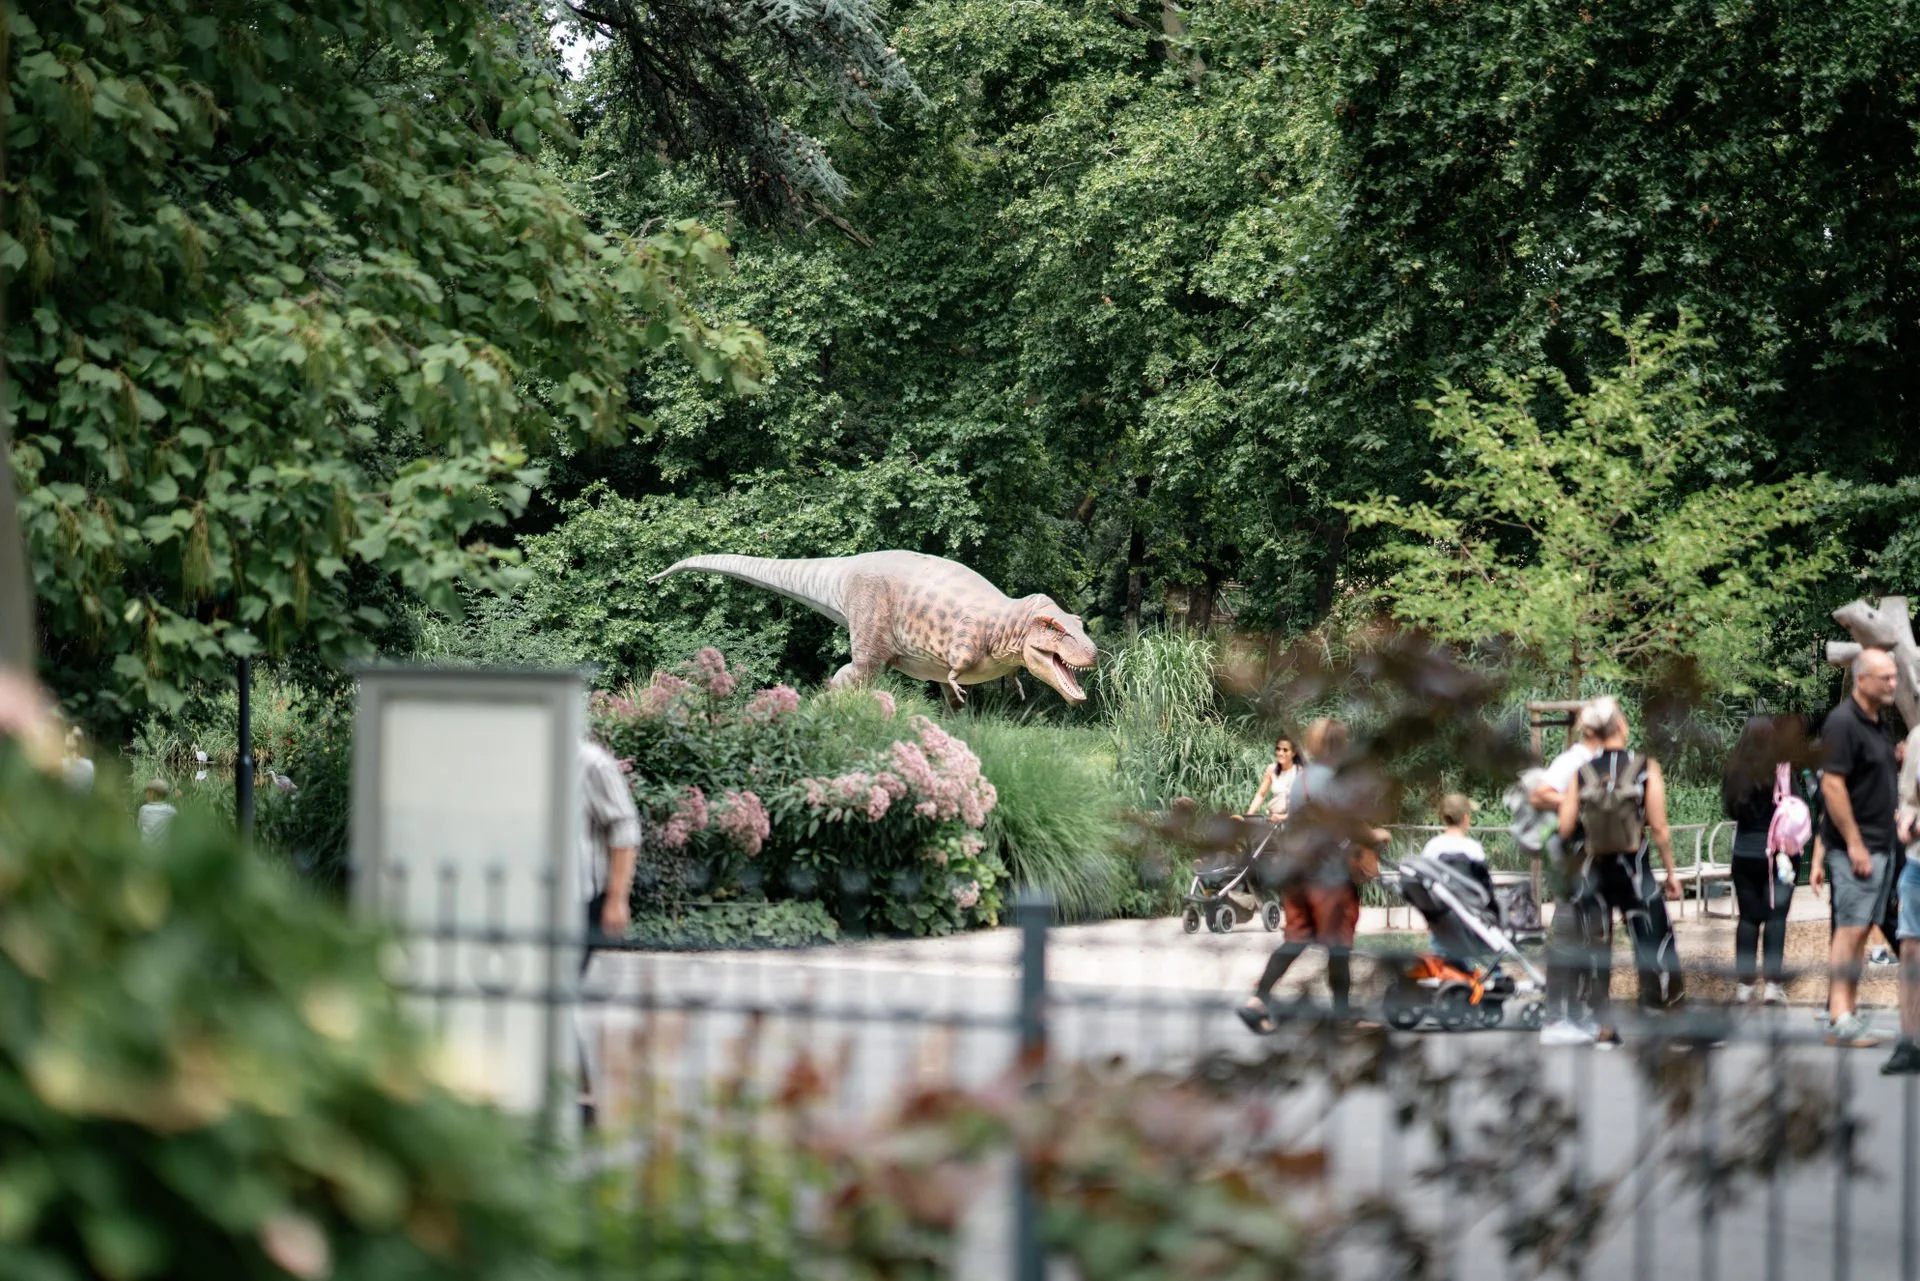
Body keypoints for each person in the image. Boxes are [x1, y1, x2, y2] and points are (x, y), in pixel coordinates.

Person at [1240, 718, 1387, 1032]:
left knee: (1295, 939)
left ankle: (1258, 999)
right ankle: (1342, 1014)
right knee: (1338, 946)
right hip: (1329, 877)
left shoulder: (1301, 780)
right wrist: (1376, 836)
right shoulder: (1334, 781)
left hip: (1297, 875)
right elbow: (1351, 825)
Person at [1555, 702, 1686, 1043]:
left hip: (1595, 872)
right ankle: (1662, 1017)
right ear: (1621, 726)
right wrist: (1671, 872)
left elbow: (1565, 826)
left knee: (1598, 948)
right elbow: (1659, 827)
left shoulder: (1581, 772)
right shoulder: (1645, 767)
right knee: (1653, 938)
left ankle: (1603, 1026)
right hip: (1635, 870)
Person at [1813, 648, 1900, 1048]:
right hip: (1858, 849)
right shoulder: (1843, 722)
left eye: (1895, 676)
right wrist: (1854, 843)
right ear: (1861, 680)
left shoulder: (1875, 722)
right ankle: (1838, 1018)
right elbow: (1832, 784)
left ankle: (1847, 1012)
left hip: (1881, 845)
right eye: (1886, 677)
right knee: (1848, 932)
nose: (1894, 683)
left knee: (1861, 930)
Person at [1532, 699, 1608, 1046]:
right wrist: (1576, 803)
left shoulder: (1605, 759)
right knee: (1566, 933)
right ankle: (1554, 1018)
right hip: (1573, 857)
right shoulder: (1573, 760)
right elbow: (1540, 795)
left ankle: (1575, 1015)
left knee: (1587, 939)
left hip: (1595, 858)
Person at [576, 738, 641, 1127]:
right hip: (528, 899)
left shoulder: (591, 763)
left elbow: (624, 831)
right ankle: (579, 1093)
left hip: (581, 899)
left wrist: (617, 897)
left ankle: (581, 1094)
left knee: (556, 989)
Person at [1246, 736, 1301, 824]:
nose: (1280, 753)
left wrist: (1284, 817)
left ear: (1293, 753)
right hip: (1273, 819)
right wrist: (1249, 815)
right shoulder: (1272, 769)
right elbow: (1261, 794)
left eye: (1285, 750)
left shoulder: (1300, 772)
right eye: (1278, 749)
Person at [137, 779, 178, 846]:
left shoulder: (144, 810)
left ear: (154, 793)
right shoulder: (172, 811)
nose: (147, 794)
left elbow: (140, 829)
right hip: (166, 850)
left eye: (149, 792)